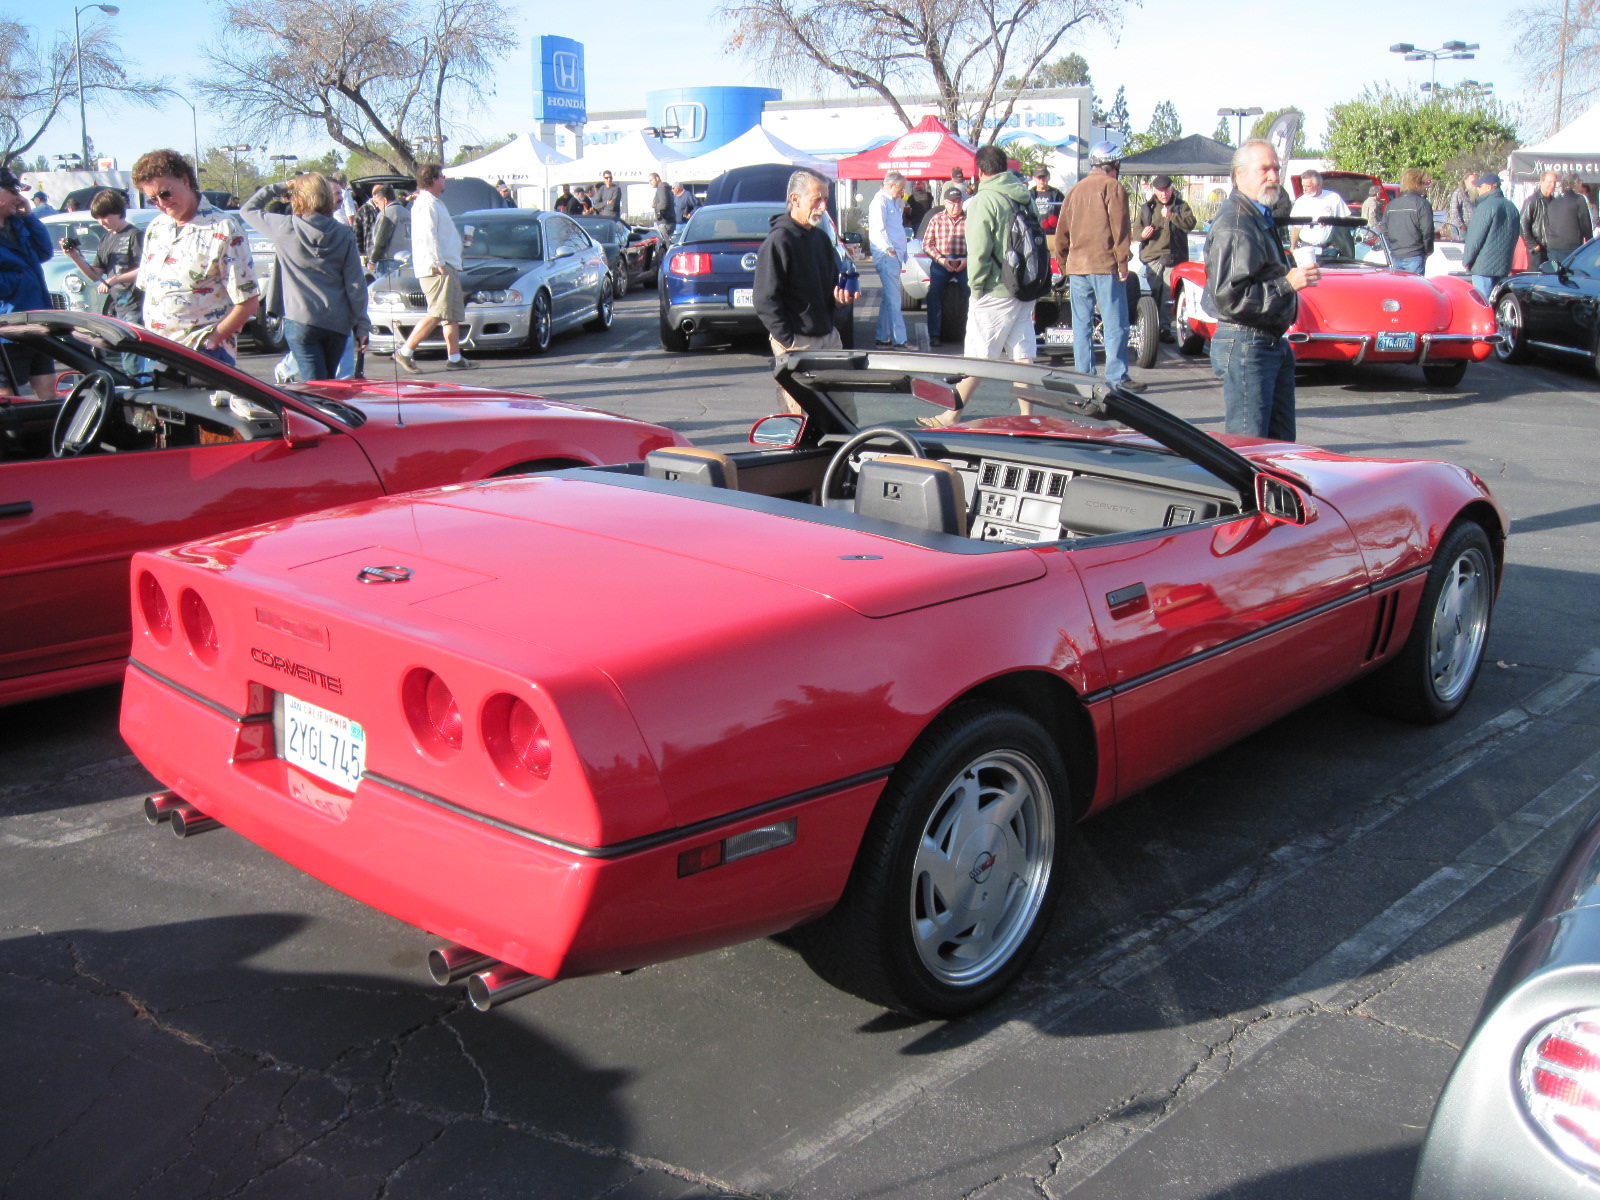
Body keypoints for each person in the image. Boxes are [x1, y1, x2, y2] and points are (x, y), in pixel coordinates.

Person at [1204, 139, 1321, 440]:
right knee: (1249, 448)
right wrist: (1287, 283)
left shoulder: (1256, 215)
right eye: (1264, 169)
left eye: (1276, 169)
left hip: (1266, 341)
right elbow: (1231, 298)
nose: (1273, 176)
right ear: (1239, 175)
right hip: (1247, 343)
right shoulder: (1236, 223)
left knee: (1278, 448)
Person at [132, 148, 259, 366]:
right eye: (153, 199)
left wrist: (215, 338)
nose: (161, 203)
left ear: (185, 180)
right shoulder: (156, 228)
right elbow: (147, 287)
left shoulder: (224, 228)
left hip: (203, 352)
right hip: (158, 349)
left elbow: (248, 301)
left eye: (165, 193)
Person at [241, 173, 369, 382]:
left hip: (301, 319)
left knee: (315, 386)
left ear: (298, 197)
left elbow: (248, 209)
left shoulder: (285, 227)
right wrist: (362, 323)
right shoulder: (344, 233)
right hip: (337, 321)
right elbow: (355, 284)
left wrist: (283, 186)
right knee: (329, 384)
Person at [753, 169, 856, 415]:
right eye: (817, 199)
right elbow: (764, 299)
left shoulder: (821, 239)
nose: (823, 206)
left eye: (826, 199)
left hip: (828, 339)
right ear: (795, 199)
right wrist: (789, 341)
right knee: (802, 418)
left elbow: (828, 289)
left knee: (844, 414)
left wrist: (839, 300)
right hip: (798, 344)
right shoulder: (779, 241)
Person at [1054, 140, 1135, 388]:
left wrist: (1064, 265)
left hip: (1077, 267)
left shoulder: (1075, 190)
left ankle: (1084, 378)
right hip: (1104, 265)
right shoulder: (1113, 187)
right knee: (1115, 324)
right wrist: (1123, 263)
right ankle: (1116, 378)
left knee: (1082, 326)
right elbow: (1120, 230)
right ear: (1114, 164)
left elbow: (1061, 233)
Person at [392, 162, 472, 373]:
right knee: (437, 312)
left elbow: (441, 235)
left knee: (450, 314)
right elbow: (428, 236)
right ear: (433, 179)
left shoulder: (435, 202)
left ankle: (455, 358)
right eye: (442, 176)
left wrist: (459, 245)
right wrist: (439, 263)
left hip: (448, 265)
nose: (445, 180)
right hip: (436, 268)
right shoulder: (425, 204)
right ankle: (405, 351)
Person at [0, 167, 57, 397]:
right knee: (7, 399)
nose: (19, 197)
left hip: (38, 323)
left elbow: (45, 252)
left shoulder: (18, 223)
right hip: (8, 331)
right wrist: (19, 279)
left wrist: (29, 217)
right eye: (13, 192)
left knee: (48, 396)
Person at [58, 189, 143, 326]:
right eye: (97, 218)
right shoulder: (106, 239)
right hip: (116, 307)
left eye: (104, 216)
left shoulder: (135, 235)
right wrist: (74, 256)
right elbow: (94, 275)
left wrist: (114, 280)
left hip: (136, 307)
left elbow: (145, 270)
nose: (101, 222)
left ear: (118, 211)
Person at [1137, 174, 1196, 341]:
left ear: (1172, 189)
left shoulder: (1181, 206)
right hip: (1153, 256)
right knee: (1155, 291)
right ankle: (1151, 328)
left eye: (1167, 190)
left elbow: (1190, 224)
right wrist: (1142, 234)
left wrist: (1172, 216)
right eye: (1160, 191)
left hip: (1174, 256)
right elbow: (1136, 231)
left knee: (1168, 294)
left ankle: (1164, 328)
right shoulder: (1147, 208)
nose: (1164, 194)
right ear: (1155, 190)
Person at [921, 187, 968, 347]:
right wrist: (941, 259)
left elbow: (979, 244)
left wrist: (967, 260)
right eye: (952, 203)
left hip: (965, 261)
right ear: (945, 203)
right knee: (934, 294)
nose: (956, 205)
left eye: (959, 202)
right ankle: (934, 334)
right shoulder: (936, 219)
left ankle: (973, 333)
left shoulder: (970, 219)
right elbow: (927, 244)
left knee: (974, 293)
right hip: (942, 261)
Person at [867, 171, 909, 348]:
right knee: (894, 299)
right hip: (887, 256)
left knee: (888, 298)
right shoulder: (880, 201)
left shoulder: (893, 201)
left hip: (895, 254)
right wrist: (889, 249)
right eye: (900, 188)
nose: (902, 192)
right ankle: (900, 339)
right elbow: (880, 229)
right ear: (890, 186)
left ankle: (883, 336)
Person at [1461, 172, 1520, 298]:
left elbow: (1475, 238)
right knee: (1497, 302)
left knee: (1483, 303)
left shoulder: (1485, 206)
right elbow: (1515, 236)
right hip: (1504, 266)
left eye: (1480, 186)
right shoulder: (1512, 207)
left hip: (1483, 267)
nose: (1478, 189)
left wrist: (1467, 260)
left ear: (1489, 187)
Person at [1287, 169, 1350, 256]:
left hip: (1328, 250)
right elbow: (1296, 228)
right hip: (1306, 249)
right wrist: (1293, 248)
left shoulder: (1333, 198)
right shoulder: (1301, 202)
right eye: (1303, 186)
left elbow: (1344, 224)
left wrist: (1336, 244)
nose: (1305, 189)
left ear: (1319, 184)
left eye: (1308, 186)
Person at [1384, 168, 1434, 274]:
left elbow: (1384, 230)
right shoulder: (1422, 204)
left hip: (1396, 255)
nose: (1425, 187)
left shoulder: (1391, 205)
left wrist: (1392, 248)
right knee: (1415, 284)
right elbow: (1427, 231)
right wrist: (1427, 251)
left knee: (1398, 285)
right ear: (1416, 184)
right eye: (1423, 183)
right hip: (1415, 254)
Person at [1545, 174, 1594, 264]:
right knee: (1571, 271)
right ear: (1575, 184)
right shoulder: (1579, 199)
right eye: (1579, 183)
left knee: (1556, 272)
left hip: (1553, 245)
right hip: (1571, 246)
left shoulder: (1553, 201)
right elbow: (1585, 224)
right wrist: (1590, 241)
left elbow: (1547, 223)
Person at [1522, 170, 1559, 269]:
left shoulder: (1555, 202)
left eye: (1554, 182)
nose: (1552, 185)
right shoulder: (1532, 201)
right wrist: (1533, 245)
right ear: (1542, 181)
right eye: (1549, 182)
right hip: (1537, 251)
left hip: (1552, 250)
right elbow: (1522, 224)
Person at [367, 186, 408, 271]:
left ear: (385, 200)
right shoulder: (407, 212)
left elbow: (380, 242)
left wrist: (372, 261)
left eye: (377, 202)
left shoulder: (386, 214)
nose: (376, 206)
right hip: (408, 259)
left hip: (390, 262)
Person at [1445, 173, 1478, 239]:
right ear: (1465, 181)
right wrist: (1461, 226)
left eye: (1477, 181)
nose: (1475, 184)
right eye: (1473, 182)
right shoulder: (1459, 193)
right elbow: (1454, 212)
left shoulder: (1477, 193)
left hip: (1475, 229)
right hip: (1462, 230)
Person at [650, 173, 675, 245]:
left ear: (657, 178)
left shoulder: (661, 188)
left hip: (664, 222)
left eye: (651, 180)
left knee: (665, 246)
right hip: (669, 221)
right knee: (666, 245)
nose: (650, 183)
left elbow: (664, 205)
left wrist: (655, 206)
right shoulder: (666, 188)